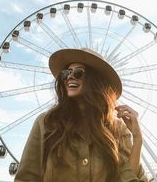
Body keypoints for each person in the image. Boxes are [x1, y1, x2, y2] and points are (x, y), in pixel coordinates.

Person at [14, 48, 148, 182]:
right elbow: (26, 178)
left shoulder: (117, 128)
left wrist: (137, 139)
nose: (70, 77)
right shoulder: (46, 122)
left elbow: (129, 178)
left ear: (95, 80)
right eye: (66, 73)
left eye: (78, 72)